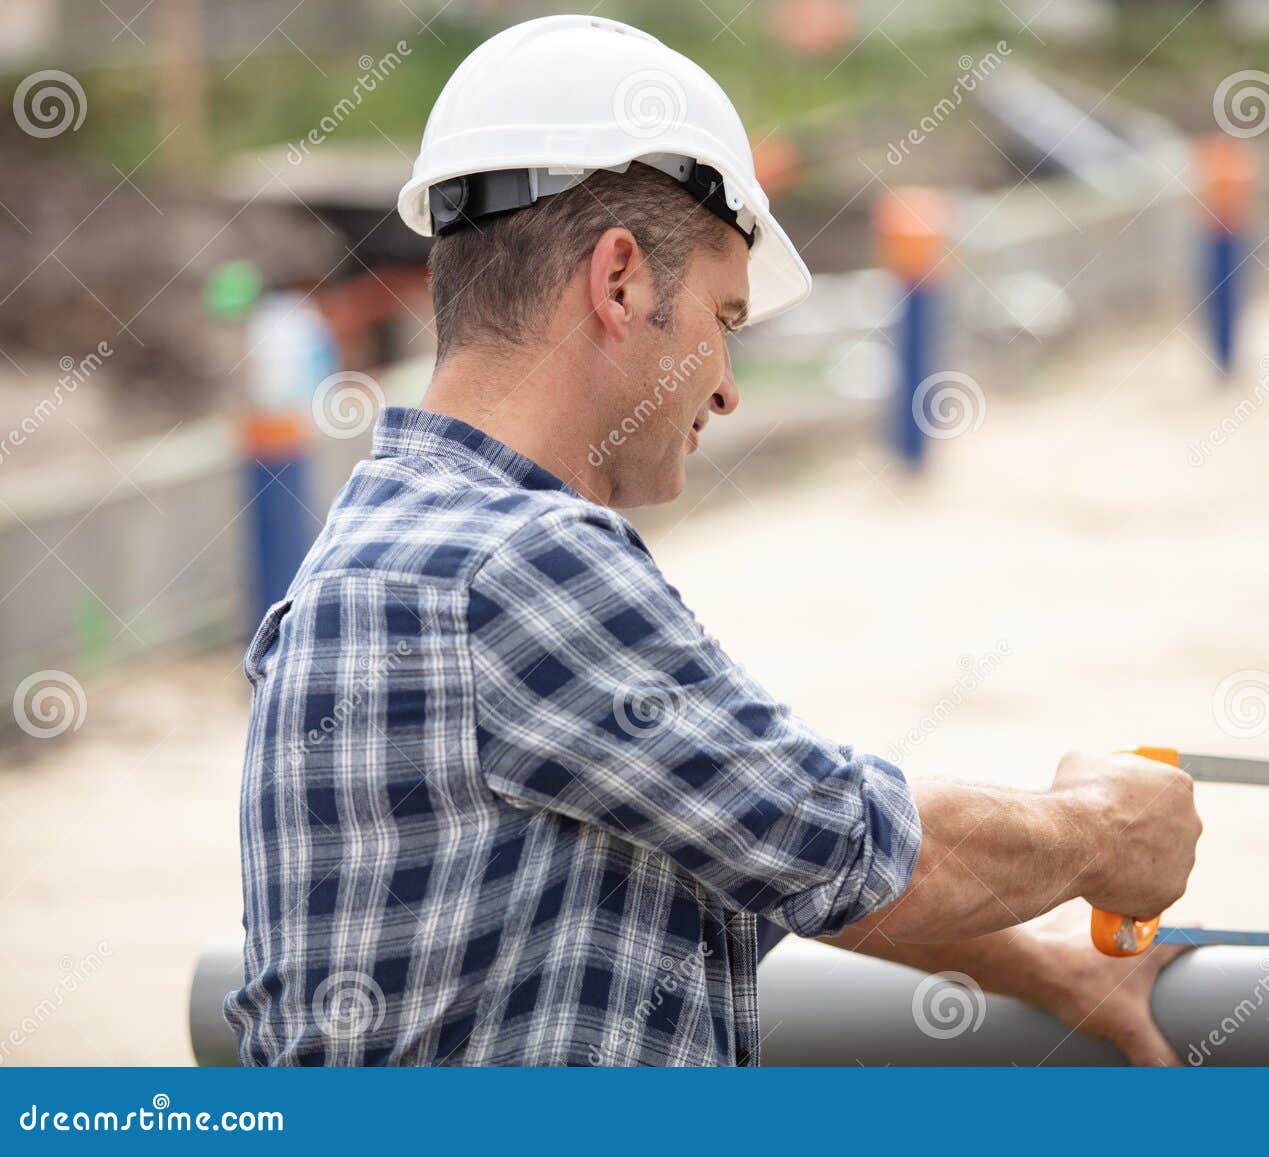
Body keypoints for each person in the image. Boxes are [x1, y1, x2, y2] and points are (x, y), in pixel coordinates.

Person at [224, 14, 1201, 1067]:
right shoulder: (519, 561)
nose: (728, 384)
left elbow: (736, 831)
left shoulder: (385, 542)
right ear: (621, 281)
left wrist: (1045, 968)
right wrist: (1104, 831)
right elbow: (830, 833)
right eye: (723, 319)